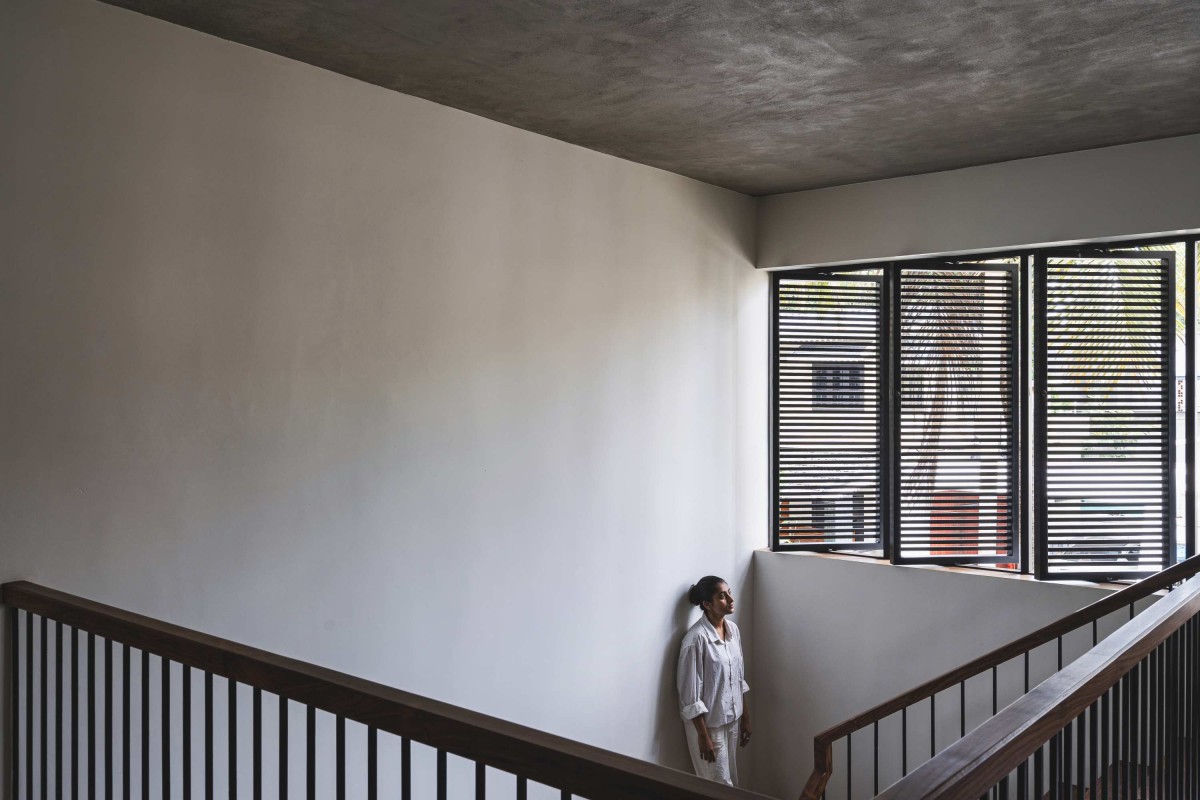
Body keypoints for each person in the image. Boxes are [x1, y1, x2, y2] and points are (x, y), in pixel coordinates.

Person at [676, 575, 751, 786]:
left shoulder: (733, 631)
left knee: (732, 781)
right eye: (722, 596)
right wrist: (703, 736)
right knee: (717, 785)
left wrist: (745, 716)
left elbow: (738, 678)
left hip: (732, 719)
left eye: (729, 592)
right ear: (707, 604)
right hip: (710, 726)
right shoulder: (695, 640)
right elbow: (690, 696)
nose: (730, 598)